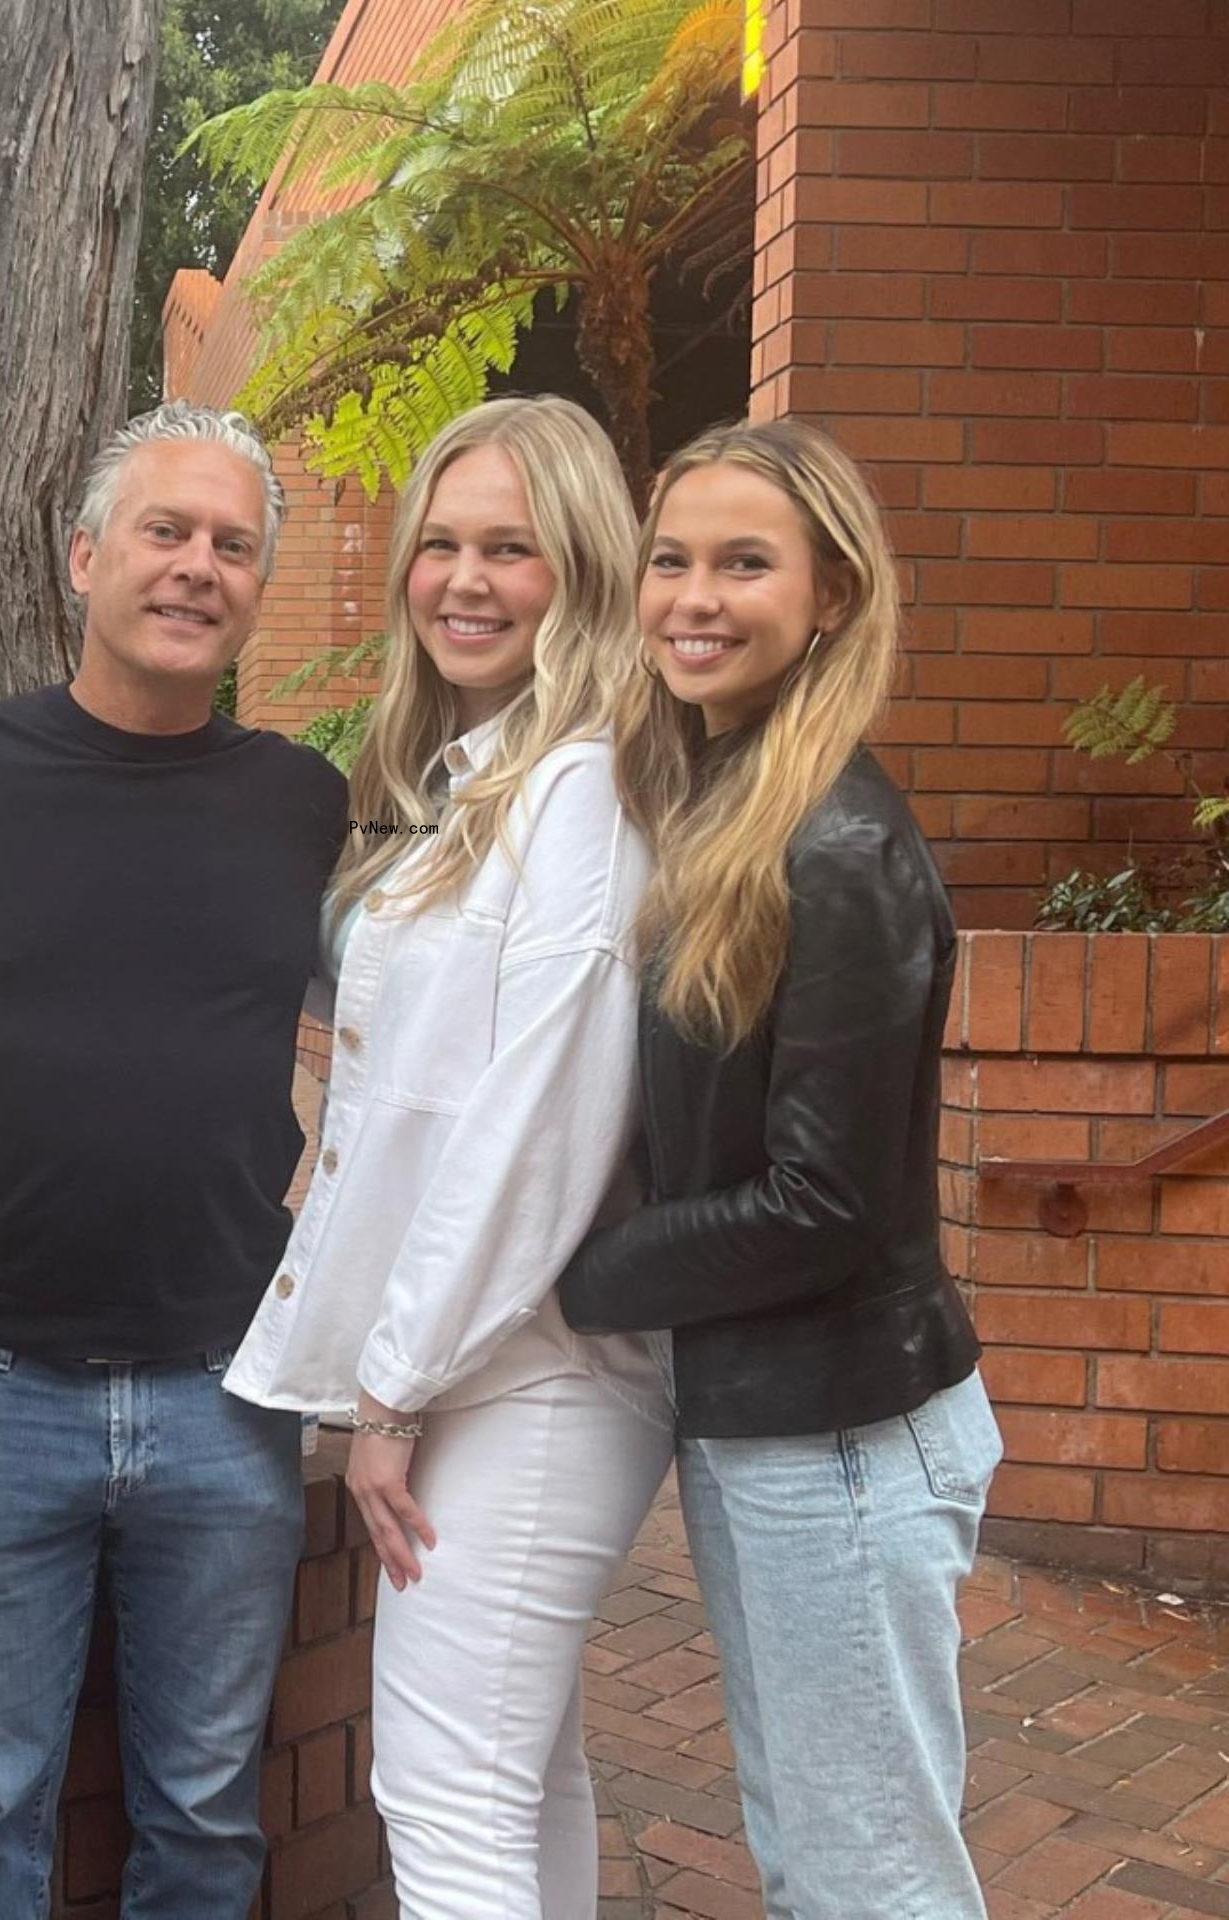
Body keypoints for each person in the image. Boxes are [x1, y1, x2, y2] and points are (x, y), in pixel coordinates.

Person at [0, 402, 347, 1918]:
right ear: (84, 555)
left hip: (229, 1388)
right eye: (165, 530)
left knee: (210, 1821)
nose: (196, 566)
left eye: (232, 545)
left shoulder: (304, 803)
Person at [224, 395, 674, 1918]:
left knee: (444, 1789)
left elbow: (539, 1115)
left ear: (586, 571)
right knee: (517, 1772)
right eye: (442, 543)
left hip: (530, 1368)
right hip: (479, 1354)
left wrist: (398, 1383)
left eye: (513, 550)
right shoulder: (474, 776)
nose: (465, 580)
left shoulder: (583, 787)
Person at [556, 418, 1000, 1920]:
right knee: (817, 1856)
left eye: (746, 563)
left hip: (847, 1433)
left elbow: (827, 1204)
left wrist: (575, 1269)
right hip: (781, 1422)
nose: (695, 595)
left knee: (870, 1876)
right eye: (671, 560)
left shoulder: (837, 850)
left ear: (831, 597)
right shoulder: (730, 807)